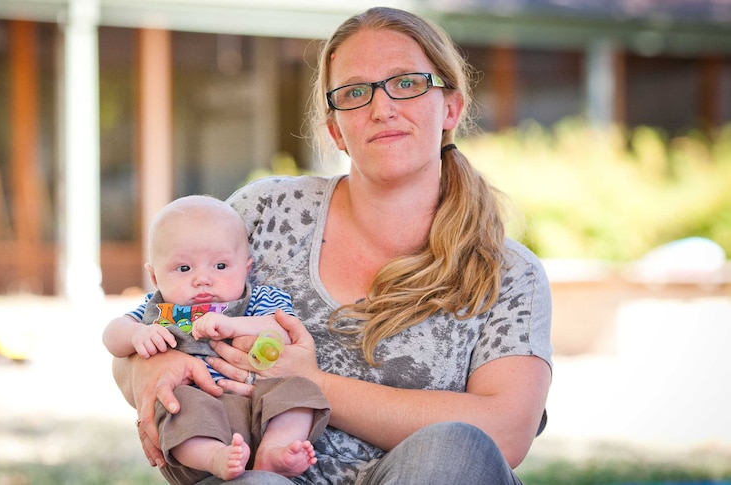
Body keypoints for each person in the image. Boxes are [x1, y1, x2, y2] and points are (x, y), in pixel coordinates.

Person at [112, 6, 552, 484]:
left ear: (450, 106)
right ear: (336, 129)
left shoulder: (508, 274)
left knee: (456, 446)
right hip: (266, 476)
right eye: (355, 93)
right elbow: (148, 325)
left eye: (406, 82)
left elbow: (506, 434)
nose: (382, 108)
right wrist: (148, 369)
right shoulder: (263, 213)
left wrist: (314, 384)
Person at [103, 195, 330, 484]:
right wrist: (137, 334)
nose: (203, 279)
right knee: (176, 403)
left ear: (246, 269)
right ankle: (214, 457)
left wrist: (233, 325)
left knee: (299, 388)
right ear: (155, 277)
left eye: (220, 266)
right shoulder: (159, 310)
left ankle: (273, 450)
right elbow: (111, 334)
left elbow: (286, 331)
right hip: (198, 417)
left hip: (258, 409)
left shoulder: (259, 300)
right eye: (184, 268)